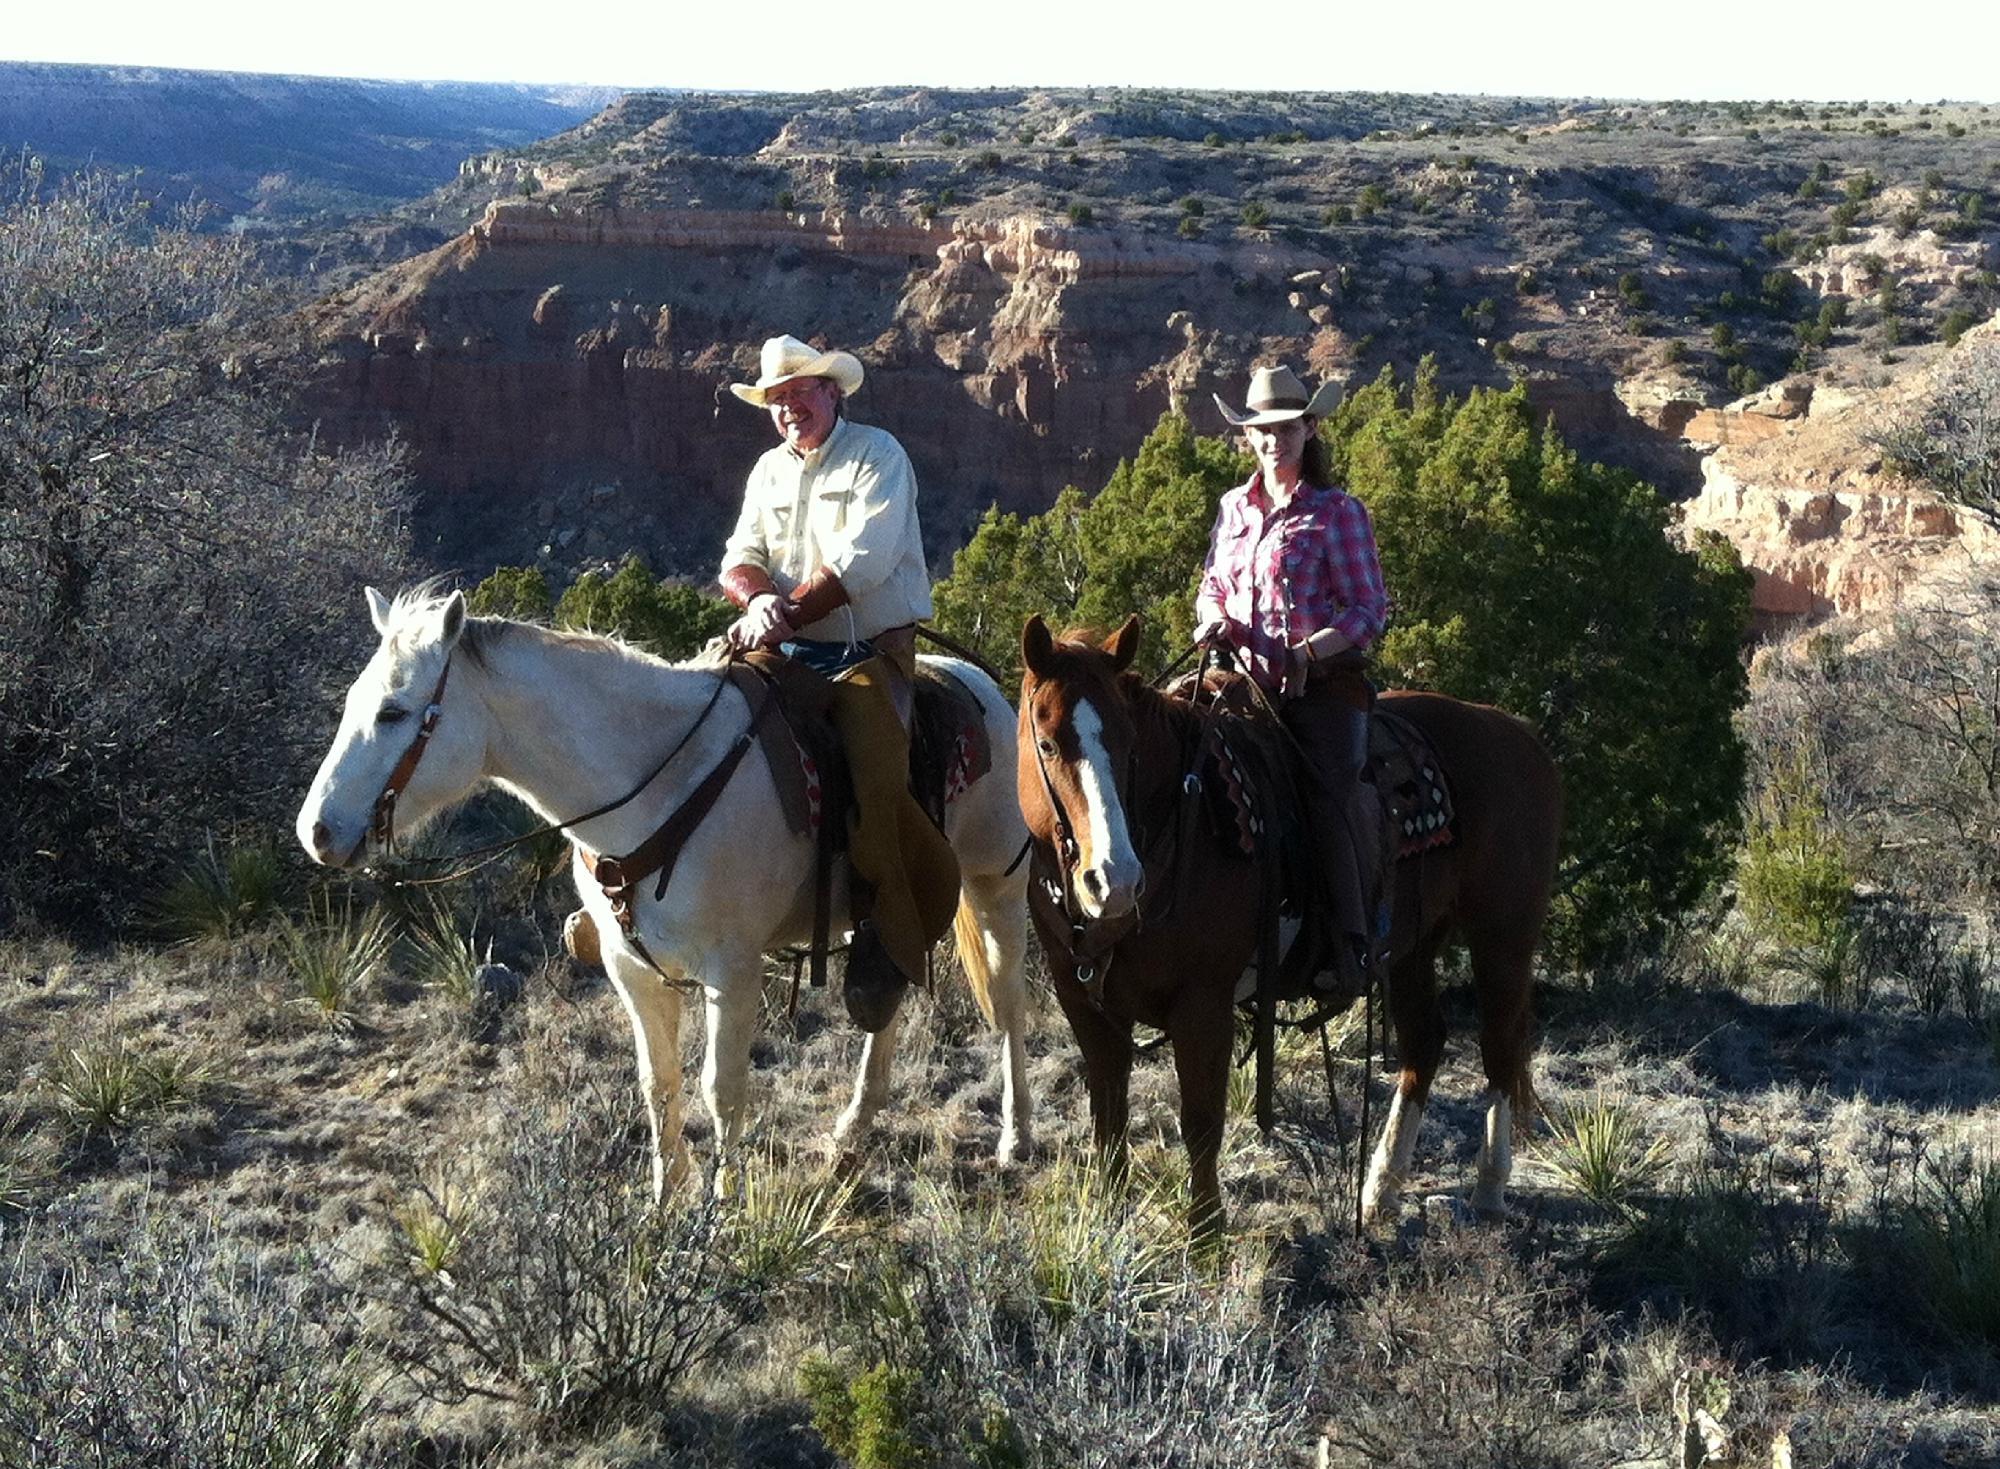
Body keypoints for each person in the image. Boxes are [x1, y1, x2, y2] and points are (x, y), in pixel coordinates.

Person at [717, 334, 961, 1031]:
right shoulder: (767, 470)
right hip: (785, 647)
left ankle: (887, 929)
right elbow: (741, 555)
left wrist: (784, 611)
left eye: (802, 392)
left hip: (868, 653)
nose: (791, 407)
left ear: (834, 392)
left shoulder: (879, 455)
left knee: (877, 776)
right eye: (778, 399)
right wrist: (758, 599)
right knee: (701, 714)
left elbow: (865, 561)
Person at [1196, 364, 1388, 997]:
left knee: (1329, 794)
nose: (1271, 440)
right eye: (1260, 430)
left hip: (1323, 690)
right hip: (1241, 685)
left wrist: (1310, 652)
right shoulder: (1232, 508)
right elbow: (1213, 587)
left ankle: (1350, 942)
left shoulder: (1337, 512)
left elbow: (1367, 611)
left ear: (1309, 429)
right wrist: (1212, 621)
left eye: (1284, 427)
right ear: (1247, 437)